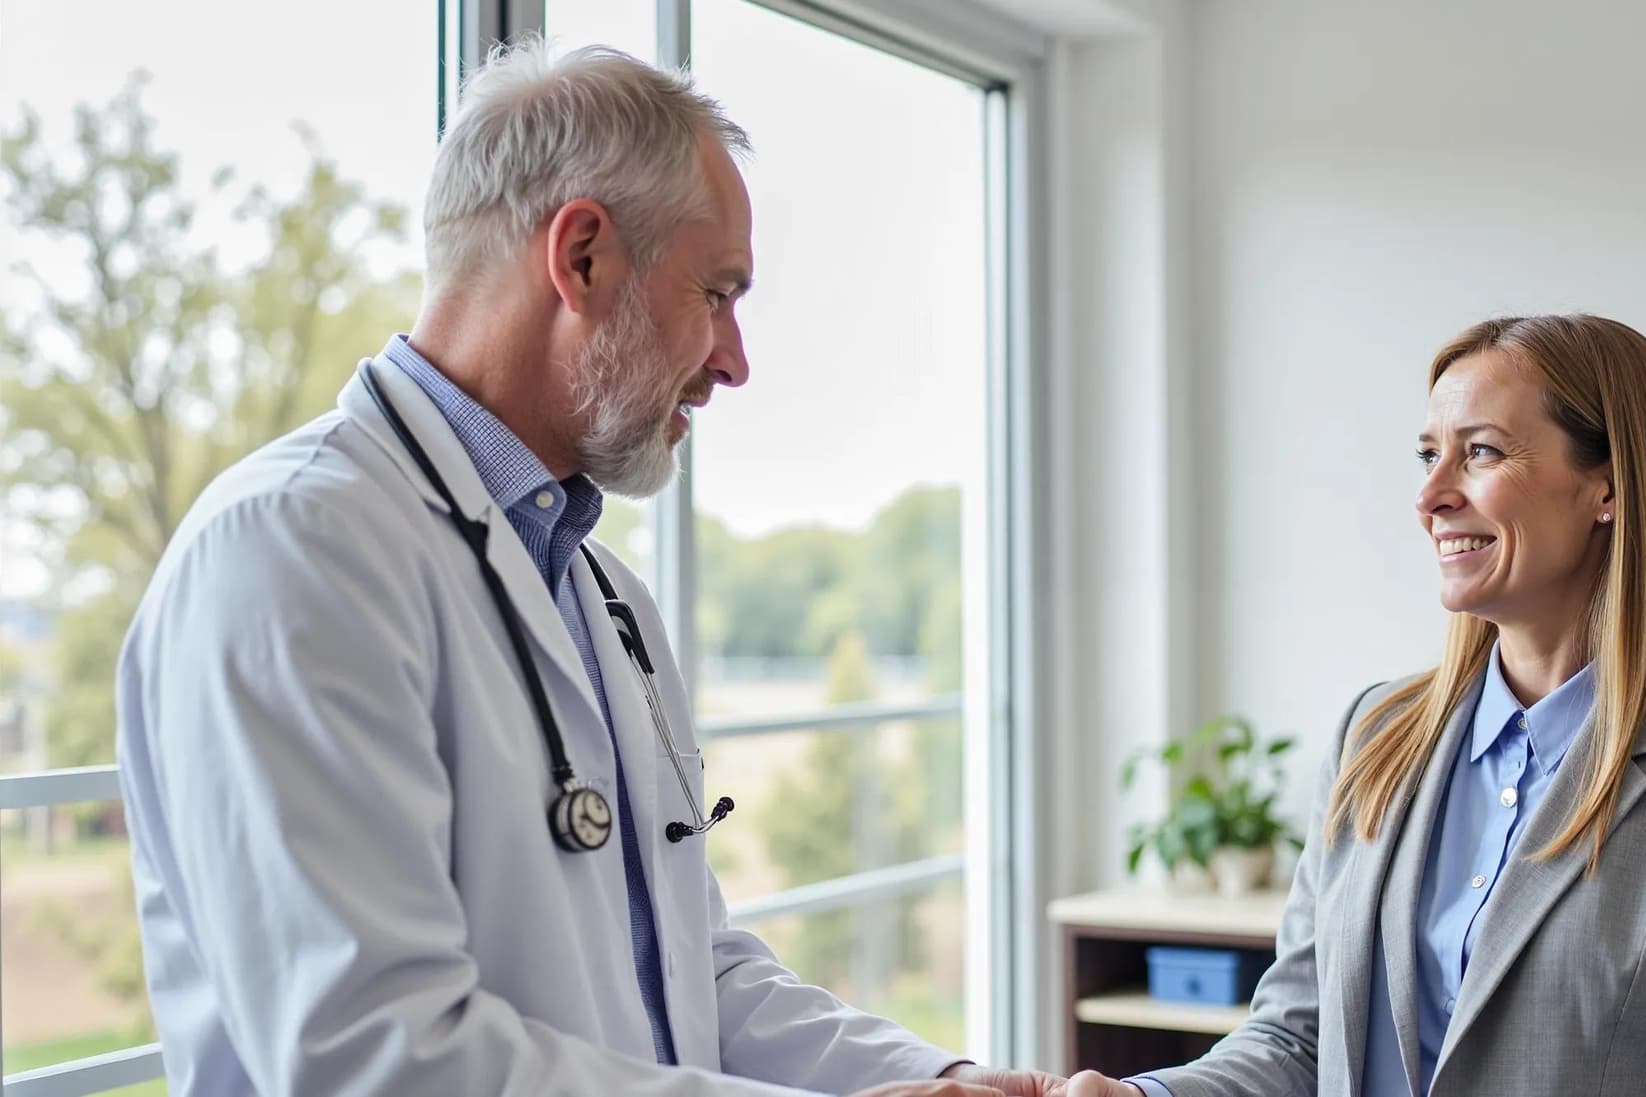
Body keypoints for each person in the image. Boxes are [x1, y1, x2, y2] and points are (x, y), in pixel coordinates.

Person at [116, 40, 1056, 1097]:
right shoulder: (292, 553)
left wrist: (954, 1079)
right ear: (583, 257)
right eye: (717, 292)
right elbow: (377, 1055)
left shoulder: (602, 594)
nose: (735, 358)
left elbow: (694, 974)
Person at [1060, 315, 1646, 1097]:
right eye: (1428, 455)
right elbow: (1298, 1040)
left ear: (1608, 486)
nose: (1430, 496)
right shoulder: (1375, 736)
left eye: (1479, 452)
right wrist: (1140, 1096)